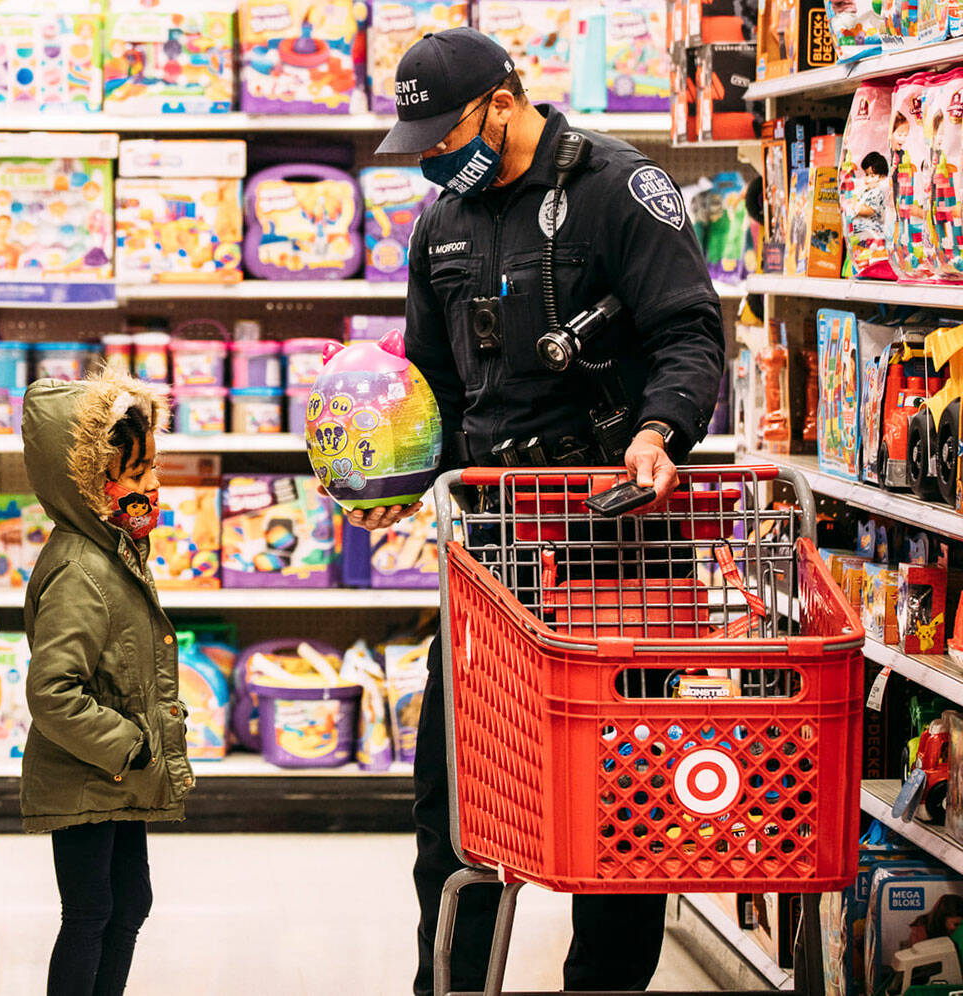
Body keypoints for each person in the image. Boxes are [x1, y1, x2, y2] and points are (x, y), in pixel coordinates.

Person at [359, 28, 726, 996]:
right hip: (493, 548)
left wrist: (658, 432)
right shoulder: (440, 223)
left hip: (618, 537)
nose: (438, 153)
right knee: (456, 798)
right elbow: (431, 386)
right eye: (423, 140)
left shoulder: (614, 186)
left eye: (447, 131)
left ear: (503, 100)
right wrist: (386, 478)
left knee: (624, 801)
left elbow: (689, 331)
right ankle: (449, 983)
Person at [20, 367, 194, 996]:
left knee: (130, 902)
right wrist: (131, 744)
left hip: (116, 772)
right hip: (90, 773)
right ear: (91, 485)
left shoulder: (114, 551)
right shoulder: (78, 570)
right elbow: (53, 692)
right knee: (92, 911)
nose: (153, 486)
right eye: (138, 475)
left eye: (153, 469)